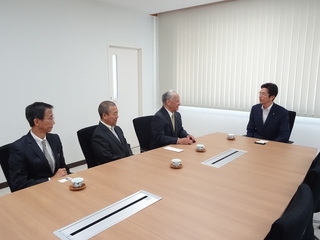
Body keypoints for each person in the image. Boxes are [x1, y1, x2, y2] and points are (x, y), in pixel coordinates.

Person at [9, 102, 69, 192]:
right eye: (50, 118)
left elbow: (62, 167)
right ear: (37, 121)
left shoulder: (54, 139)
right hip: (37, 193)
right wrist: (50, 180)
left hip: (59, 188)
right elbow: (19, 184)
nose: (54, 122)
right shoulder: (19, 148)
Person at [91, 101, 133, 165]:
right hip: (114, 167)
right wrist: (125, 162)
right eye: (114, 114)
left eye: (117, 113)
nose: (117, 116)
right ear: (104, 115)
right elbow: (107, 158)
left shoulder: (118, 129)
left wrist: (131, 158)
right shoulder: (98, 135)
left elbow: (126, 146)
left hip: (125, 163)